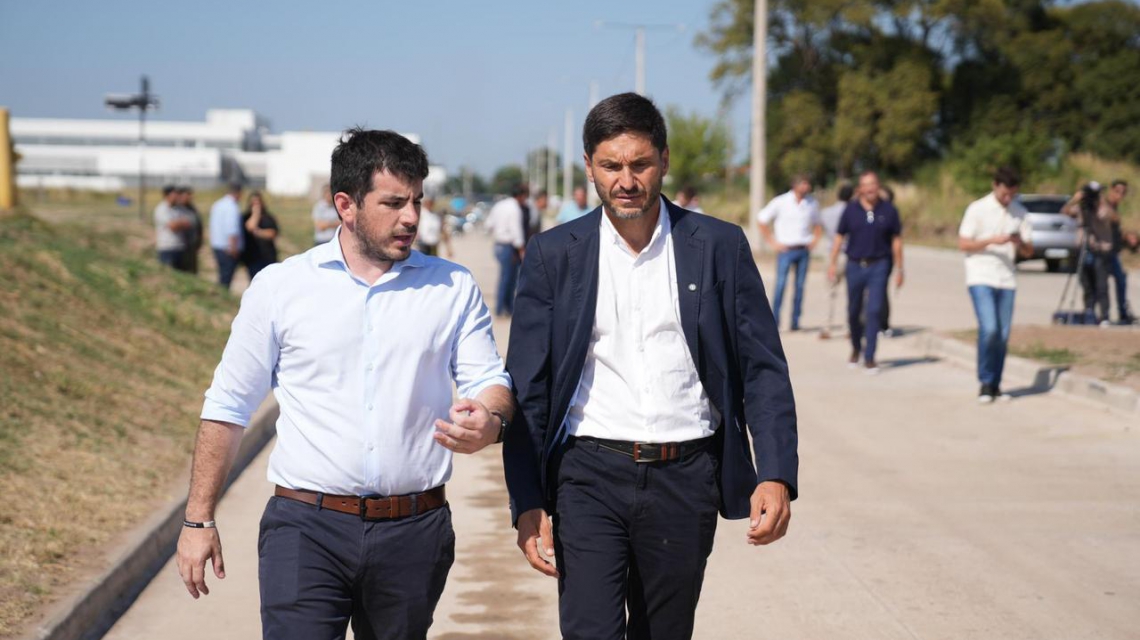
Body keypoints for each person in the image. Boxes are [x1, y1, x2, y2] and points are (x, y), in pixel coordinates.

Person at [175, 128, 514, 640]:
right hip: (305, 528)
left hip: (414, 530)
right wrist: (198, 519)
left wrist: (491, 420)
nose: (412, 217)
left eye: (417, 201)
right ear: (345, 205)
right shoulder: (282, 287)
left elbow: (488, 379)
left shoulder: (451, 286)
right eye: (393, 203)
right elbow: (228, 406)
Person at [503, 92, 798, 640]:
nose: (626, 180)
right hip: (587, 476)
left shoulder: (719, 246)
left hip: (686, 478)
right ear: (589, 166)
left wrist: (775, 472)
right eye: (611, 166)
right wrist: (527, 500)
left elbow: (762, 369)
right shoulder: (554, 254)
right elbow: (529, 389)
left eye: (639, 164)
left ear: (664, 159)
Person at [958, 167, 1034, 403]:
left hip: (1007, 278)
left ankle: (995, 384)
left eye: (1012, 194)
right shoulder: (977, 208)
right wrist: (992, 240)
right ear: (995, 186)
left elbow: (1029, 252)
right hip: (980, 275)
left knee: (1002, 335)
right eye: (1004, 194)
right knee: (989, 329)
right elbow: (964, 244)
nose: (1008, 198)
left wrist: (1019, 243)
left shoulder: (1020, 213)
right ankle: (985, 381)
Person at [827, 171, 904, 374]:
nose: (870, 188)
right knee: (854, 311)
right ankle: (855, 347)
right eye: (866, 185)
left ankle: (870, 356)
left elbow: (897, 240)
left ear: (878, 186)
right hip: (854, 265)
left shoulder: (889, 210)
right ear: (860, 189)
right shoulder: (850, 210)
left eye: (873, 184)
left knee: (874, 310)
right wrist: (832, 264)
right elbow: (839, 237)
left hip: (879, 264)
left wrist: (900, 268)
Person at [757, 175, 822, 331]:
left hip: (803, 249)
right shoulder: (781, 201)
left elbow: (818, 223)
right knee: (780, 286)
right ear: (795, 185)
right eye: (803, 183)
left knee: (799, 287)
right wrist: (772, 242)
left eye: (807, 184)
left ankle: (795, 321)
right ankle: (775, 321)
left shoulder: (812, 203)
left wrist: (815, 240)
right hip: (786, 250)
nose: (806, 187)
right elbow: (762, 219)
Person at [1062, 182, 1115, 324]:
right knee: (1086, 285)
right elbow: (1064, 211)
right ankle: (1089, 311)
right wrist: (1075, 199)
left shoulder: (1103, 207)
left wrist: (1099, 201)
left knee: (1101, 285)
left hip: (1100, 250)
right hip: (1083, 249)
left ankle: (1104, 316)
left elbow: (1104, 216)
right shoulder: (1081, 207)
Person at [484, 184, 528, 316]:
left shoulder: (499, 205)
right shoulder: (515, 209)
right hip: (508, 246)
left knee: (505, 277)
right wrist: (521, 249)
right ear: (521, 196)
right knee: (508, 279)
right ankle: (502, 308)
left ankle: (506, 307)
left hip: (498, 244)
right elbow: (516, 230)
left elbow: (488, 224)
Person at [819, 184, 854, 338]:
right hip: (849, 254)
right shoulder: (853, 212)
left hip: (831, 254)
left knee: (829, 292)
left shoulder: (826, 212)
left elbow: (821, 229)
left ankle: (827, 326)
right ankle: (849, 327)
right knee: (850, 294)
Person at [1105, 180, 1133, 324]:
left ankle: (1122, 312)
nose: (1120, 195)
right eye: (1118, 191)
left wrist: (1126, 237)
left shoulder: (1115, 207)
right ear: (1111, 190)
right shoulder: (1104, 205)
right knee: (1102, 284)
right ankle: (1103, 314)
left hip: (1114, 252)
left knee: (1121, 280)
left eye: (1123, 192)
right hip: (1104, 252)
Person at [209, 182, 244, 289]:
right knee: (226, 278)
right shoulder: (231, 207)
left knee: (222, 276)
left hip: (217, 246)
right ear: (238, 193)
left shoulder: (218, 204)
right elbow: (231, 229)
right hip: (228, 249)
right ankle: (223, 296)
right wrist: (233, 248)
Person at [241, 191, 280, 279]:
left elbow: (272, 233)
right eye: (253, 203)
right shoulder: (246, 217)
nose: (256, 205)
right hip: (252, 257)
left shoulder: (268, 217)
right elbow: (250, 227)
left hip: (268, 256)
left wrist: (259, 232)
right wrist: (256, 214)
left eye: (258, 202)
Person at [155, 185, 193, 271]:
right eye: (175, 194)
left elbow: (188, 223)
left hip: (180, 247)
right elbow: (173, 226)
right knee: (168, 274)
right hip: (167, 248)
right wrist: (180, 223)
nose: (177, 196)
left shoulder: (180, 208)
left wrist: (178, 224)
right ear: (167, 195)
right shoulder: (161, 209)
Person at [175, 186, 204, 274]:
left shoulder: (192, 209)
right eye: (187, 195)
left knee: (192, 270)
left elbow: (199, 226)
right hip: (181, 246)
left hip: (192, 245)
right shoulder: (177, 209)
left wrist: (199, 241)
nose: (189, 197)